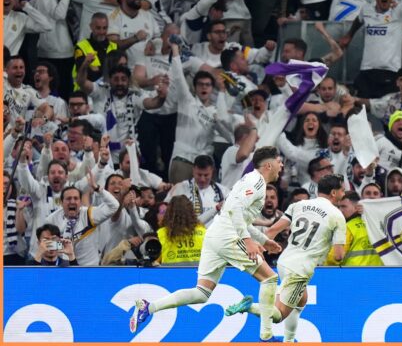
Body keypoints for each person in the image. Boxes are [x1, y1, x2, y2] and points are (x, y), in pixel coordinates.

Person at [130, 146, 284, 343]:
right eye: (279, 161)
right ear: (269, 165)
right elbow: (235, 211)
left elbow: (235, 215)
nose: (282, 165)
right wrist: (248, 242)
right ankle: (266, 337)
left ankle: (148, 307)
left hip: (215, 236)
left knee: (201, 293)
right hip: (228, 238)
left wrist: (264, 240)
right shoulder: (257, 183)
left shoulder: (249, 180)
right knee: (269, 279)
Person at [225, 174, 347, 343]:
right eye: (342, 190)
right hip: (300, 269)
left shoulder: (298, 205)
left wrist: (262, 245)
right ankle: (249, 307)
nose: (344, 193)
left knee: (302, 299)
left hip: (284, 261)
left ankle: (289, 340)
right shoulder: (337, 216)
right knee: (278, 315)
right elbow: (339, 256)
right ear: (334, 193)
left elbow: (271, 231)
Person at [325, 190, 382, 266]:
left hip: (353, 274)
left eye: (343, 206)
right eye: (338, 207)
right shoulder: (377, 225)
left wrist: (323, 266)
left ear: (356, 208)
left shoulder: (347, 228)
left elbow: (334, 257)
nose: (339, 210)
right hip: (378, 274)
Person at [157, 195, 206, 266]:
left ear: (169, 212)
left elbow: (155, 263)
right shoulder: (204, 232)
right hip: (199, 275)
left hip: (170, 276)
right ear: (191, 211)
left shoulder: (162, 234)